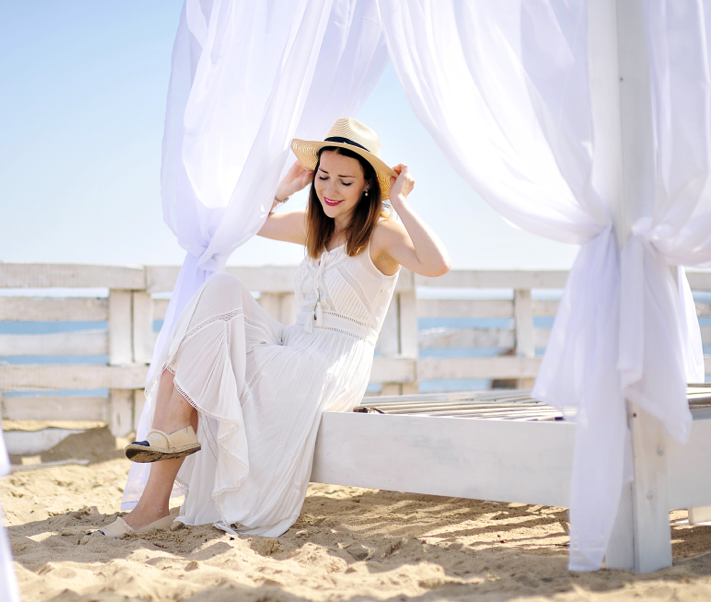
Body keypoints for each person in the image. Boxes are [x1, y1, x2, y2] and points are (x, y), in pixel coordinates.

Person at [90, 118, 450, 538]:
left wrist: (401, 203)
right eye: (324, 176)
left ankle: (156, 492)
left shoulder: (381, 233)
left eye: (345, 182)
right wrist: (284, 189)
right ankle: (171, 436)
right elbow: (249, 223)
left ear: (368, 185)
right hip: (295, 343)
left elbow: (437, 265)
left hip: (332, 361)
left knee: (215, 360)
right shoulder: (316, 225)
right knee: (220, 291)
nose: (330, 191)